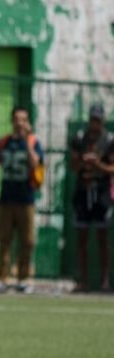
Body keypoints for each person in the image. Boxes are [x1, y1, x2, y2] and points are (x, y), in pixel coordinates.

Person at [0, 106, 45, 293]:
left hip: (26, 199)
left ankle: (24, 279)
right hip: (6, 199)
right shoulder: (4, 143)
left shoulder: (33, 142)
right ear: (12, 120)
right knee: (4, 240)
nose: (19, 123)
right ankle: (1, 278)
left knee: (27, 241)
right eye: (16, 119)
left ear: (28, 122)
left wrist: (27, 143)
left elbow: (35, 163)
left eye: (23, 119)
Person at [69, 103, 114, 292]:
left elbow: (112, 168)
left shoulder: (109, 140)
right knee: (82, 239)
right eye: (92, 119)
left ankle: (104, 281)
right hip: (83, 191)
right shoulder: (80, 139)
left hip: (101, 193)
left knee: (102, 239)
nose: (95, 123)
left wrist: (98, 165)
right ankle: (83, 280)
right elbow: (73, 166)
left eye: (98, 120)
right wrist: (83, 162)